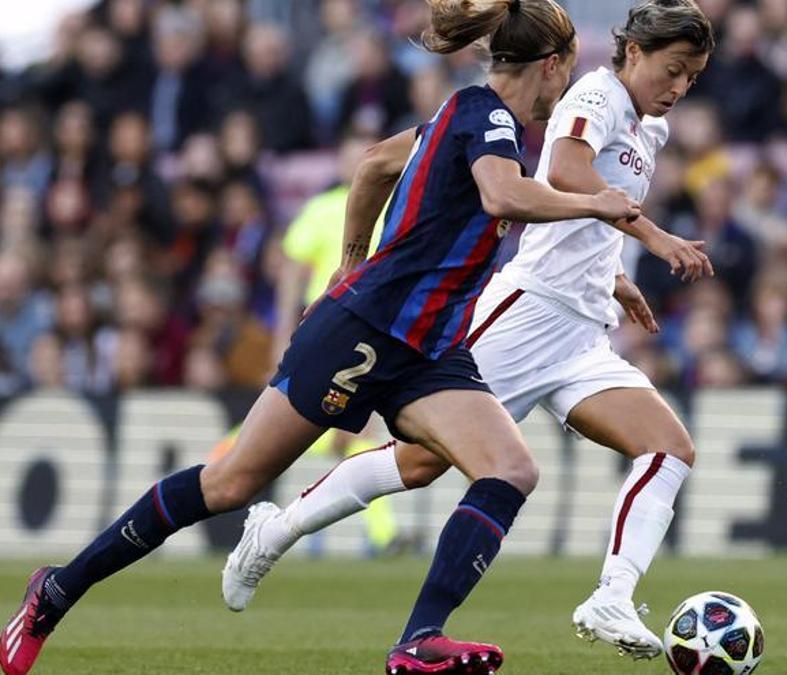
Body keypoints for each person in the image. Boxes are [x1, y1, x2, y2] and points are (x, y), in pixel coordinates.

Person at [0, 2, 641, 674]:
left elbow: (369, 167)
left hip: (427, 348)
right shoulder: (487, 116)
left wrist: (351, 258)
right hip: (364, 331)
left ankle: (419, 639)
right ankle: (57, 589)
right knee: (230, 481)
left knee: (510, 469)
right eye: (565, 76)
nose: (562, 93)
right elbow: (502, 196)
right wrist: (595, 203)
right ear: (552, 64)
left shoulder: (467, 122)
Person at [222, 0, 715, 661]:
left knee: (669, 448)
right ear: (632, 54)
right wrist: (653, 237)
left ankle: (612, 596)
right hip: (526, 312)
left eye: (693, 77)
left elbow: (584, 211)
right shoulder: (595, 94)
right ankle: (276, 528)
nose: (679, 88)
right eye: (674, 69)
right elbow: (567, 172)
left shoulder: (646, 127)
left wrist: (614, 274)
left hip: (580, 331)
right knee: (422, 463)